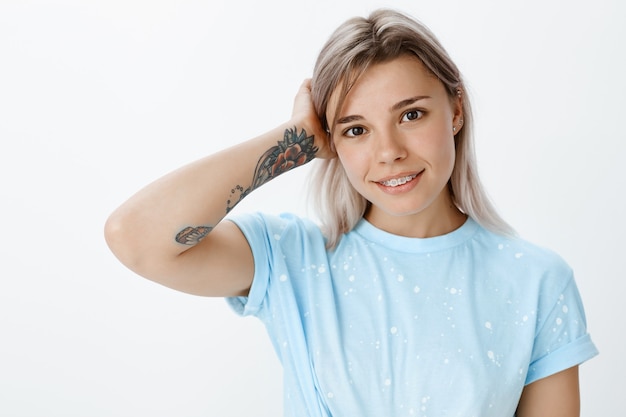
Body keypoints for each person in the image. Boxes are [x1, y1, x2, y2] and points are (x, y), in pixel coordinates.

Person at [104, 8, 598, 416]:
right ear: (331, 141)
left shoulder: (536, 282)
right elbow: (134, 235)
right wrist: (291, 141)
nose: (389, 152)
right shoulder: (292, 262)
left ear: (455, 110)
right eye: (356, 129)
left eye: (410, 114)